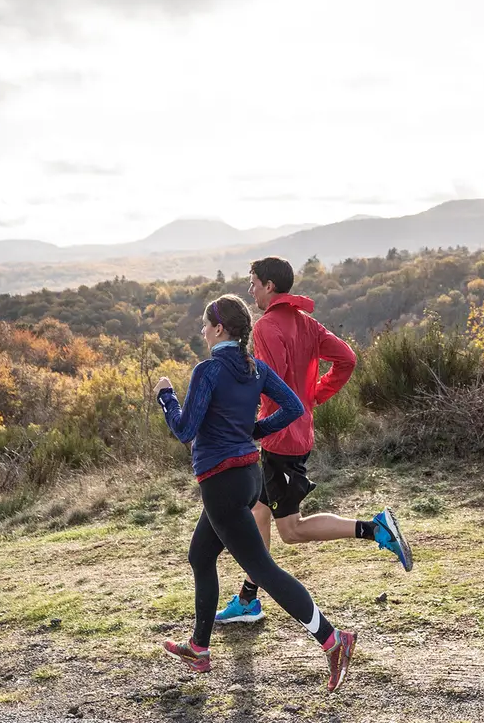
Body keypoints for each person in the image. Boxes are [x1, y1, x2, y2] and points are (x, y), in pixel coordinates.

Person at [155, 294, 357, 692]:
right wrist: (255, 431)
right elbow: (294, 407)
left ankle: (333, 640)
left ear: (219, 329)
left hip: (222, 482)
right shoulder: (255, 368)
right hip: (249, 475)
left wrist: (166, 397)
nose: (202, 331)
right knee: (200, 556)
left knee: (263, 569)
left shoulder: (208, 371)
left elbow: (184, 430)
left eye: (204, 325)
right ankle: (198, 648)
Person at [215, 256, 412, 627]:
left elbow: (269, 383)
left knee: (291, 530)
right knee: (259, 513)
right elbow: (347, 359)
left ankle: (375, 529)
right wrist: (314, 396)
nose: (250, 290)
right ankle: (247, 600)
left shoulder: (266, 326)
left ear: (269, 285)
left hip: (280, 437)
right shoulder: (306, 322)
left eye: (253, 283)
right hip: (295, 430)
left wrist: (248, 416)